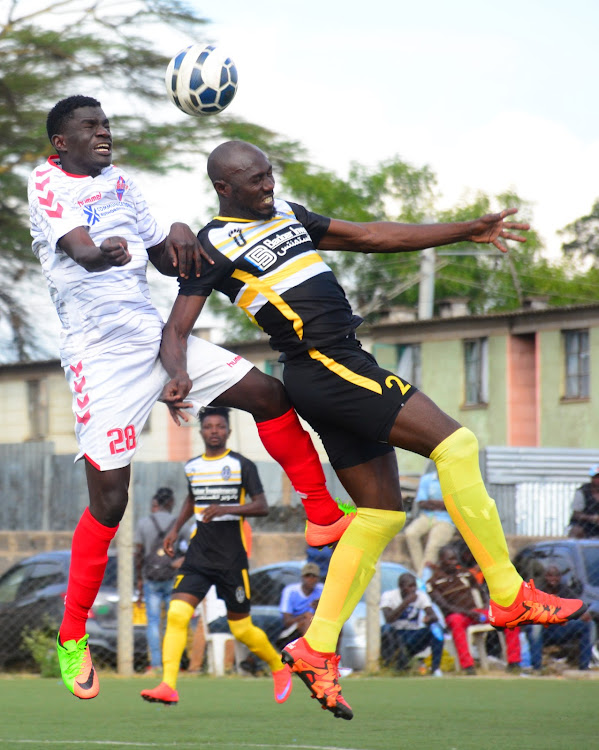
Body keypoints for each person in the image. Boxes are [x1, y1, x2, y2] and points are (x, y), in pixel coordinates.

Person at [158, 140, 588, 719]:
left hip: (339, 364)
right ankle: (508, 595)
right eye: (254, 179)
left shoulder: (289, 215)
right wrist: (178, 375)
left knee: (382, 514)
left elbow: (373, 235)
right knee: (457, 444)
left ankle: (315, 646)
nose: (268, 185)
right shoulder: (212, 244)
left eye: (269, 174)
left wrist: (465, 230)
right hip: (326, 366)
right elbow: (176, 328)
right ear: (224, 188)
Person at [28, 99, 353, 699]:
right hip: (101, 362)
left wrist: (177, 234)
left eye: (106, 124)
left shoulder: (121, 183)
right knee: (108, 501)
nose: (103, 132)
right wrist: (108, 253)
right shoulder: (47, 183)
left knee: (268, 393)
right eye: (89, 127)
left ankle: (321, 512)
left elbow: (161, 253)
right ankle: (72, 637)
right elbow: (80, 250)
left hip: (155, 337)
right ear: (60, 142)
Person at [141, 407, 292, 705]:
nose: (213, 430)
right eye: (208, 426)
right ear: (201, 432)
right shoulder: (193, 466)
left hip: (231, 559)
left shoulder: (242, 465)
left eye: (219, 426)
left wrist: (227, 509)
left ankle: (278, 666)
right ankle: (168, 685)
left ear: (228, 431)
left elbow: (262, 506)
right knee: (177, 613)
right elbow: (192, 498)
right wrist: (174, 530)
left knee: (241, 628)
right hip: (198, 556)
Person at [427, 545, 521, 674]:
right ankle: (468, 667)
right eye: (450, 559)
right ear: (441, 560)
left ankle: (514, 662)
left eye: (455, 559)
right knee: (455, 621)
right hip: (458, 615)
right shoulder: (433, 582)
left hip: (476, 612)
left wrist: (487, 607)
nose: (454, 563)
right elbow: (444, 606)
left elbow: (482, 592)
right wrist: (468, 613)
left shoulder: (465, 573)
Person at [134, 487, 186, 672]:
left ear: (156, 503)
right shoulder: (179, 524)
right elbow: (189, 550)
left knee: (153, 622)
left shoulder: (143, 523)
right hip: (173, 578)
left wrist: (139, 580)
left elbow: (138, 553)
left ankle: (156, 664)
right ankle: (174, 664)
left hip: (151, 577)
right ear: (170, 503)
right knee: (175, 621)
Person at [522, 566, 593, 673]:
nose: (553, 579)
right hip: (544, 630)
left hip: (561, 628)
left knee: (588, 624)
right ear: (545, 577)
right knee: (535, 626)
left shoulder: (564, 590)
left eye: (556, 576)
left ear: (560, 577)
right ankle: (537, 667)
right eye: (550, 575)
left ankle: (584, 667)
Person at [380, 572, 443, 676]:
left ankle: (435, 669)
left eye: (414, 586)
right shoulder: (389, 596)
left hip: (412, 634)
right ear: (401, 587)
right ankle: (389, 664)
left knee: (436, 628)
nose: (413, 589)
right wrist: (406, 603)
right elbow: (388, 619)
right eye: (410, 586)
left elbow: (434, 616)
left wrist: (429, 619)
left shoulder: (421, 596)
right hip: (395, 633)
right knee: (385, 629)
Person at [404, 467, 455, 578]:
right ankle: (421, 573)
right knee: (410, 533)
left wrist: (433, 503)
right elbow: (422, 502)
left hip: (445, 520)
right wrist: (442, 504)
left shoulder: (455, 480)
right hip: (427, 516)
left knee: (433, 546)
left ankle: (423, 577)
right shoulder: (427, 479)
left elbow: (453, 505)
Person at [277, 562, 324, 649]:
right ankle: (308, 651)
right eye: (307, 576)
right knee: (307, 619)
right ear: (302, 577)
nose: (311, 579)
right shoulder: (290, 591)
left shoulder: (322, 590)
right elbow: (287, 622)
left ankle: (333, 656)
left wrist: (318, 608)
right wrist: (304, 615)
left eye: (314, 576)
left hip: (316, 624)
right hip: (293, 629)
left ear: (317, 579)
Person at [568, 464, 599, 538]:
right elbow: (576, 514)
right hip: (585, 526)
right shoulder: (582, 492)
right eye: (596, 477)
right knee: (576, 531)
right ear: (591, 478)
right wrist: (593, 518)